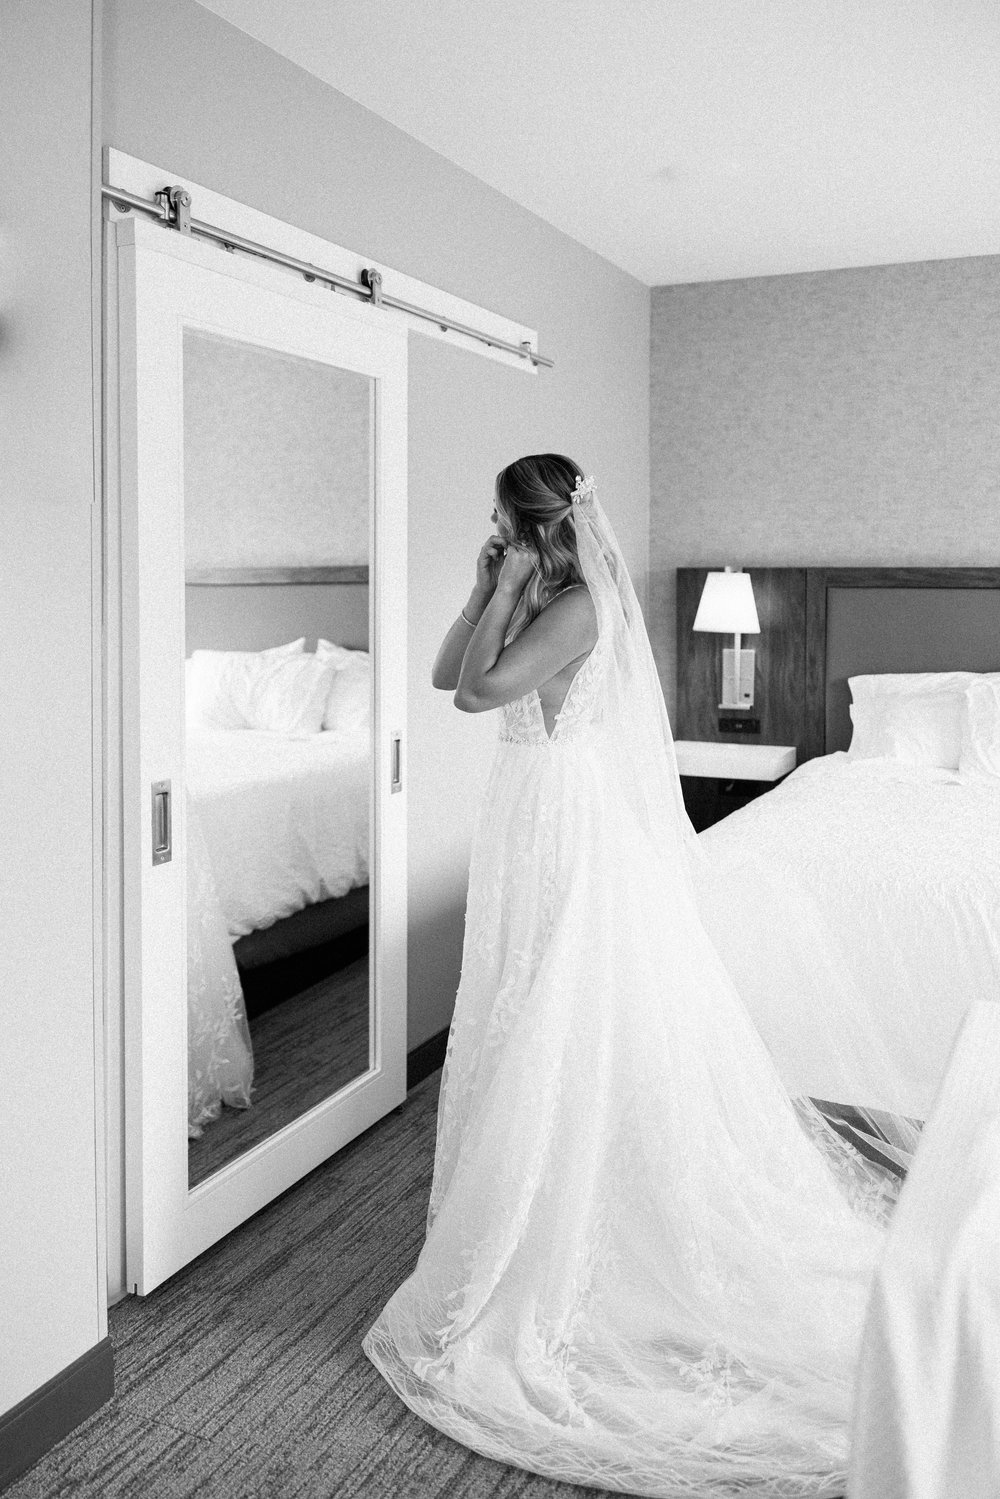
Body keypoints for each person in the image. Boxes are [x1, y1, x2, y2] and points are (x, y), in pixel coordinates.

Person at [363, 454, 905, 1498]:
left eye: (498, 519)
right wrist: (484, 585)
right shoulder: (536, 592)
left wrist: (512, 589)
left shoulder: (578, 605)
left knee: (554, 1013)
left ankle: (561, 1216)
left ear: (537, 524)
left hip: (565, 823)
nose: (489, 528)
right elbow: (444, 672)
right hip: (526, 815)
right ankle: (522, 1191)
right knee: (518, 1003)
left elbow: (478, 693)